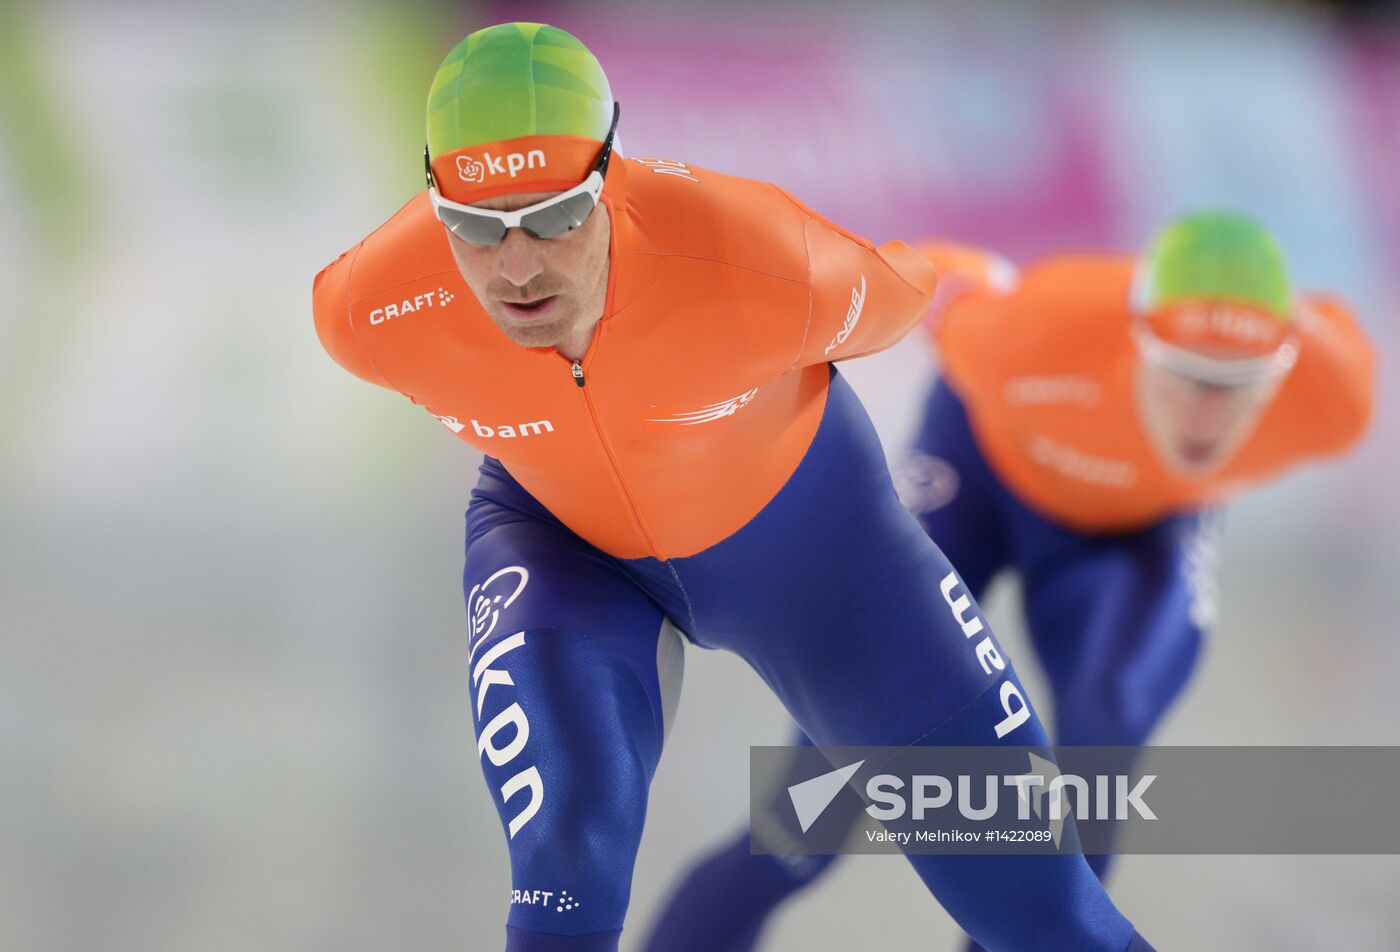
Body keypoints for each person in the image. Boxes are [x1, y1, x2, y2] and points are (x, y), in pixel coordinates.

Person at [312, 21, 1155, 952]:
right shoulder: (368, 308)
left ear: (615, 171)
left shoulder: (758, 258)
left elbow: (910, 287)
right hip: (563, 547)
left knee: (1046, 916)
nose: (516, 267)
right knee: (568, 862)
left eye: (554, 215)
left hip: (826, 560)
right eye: (474, 226)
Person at [641, 212, 1376, 952]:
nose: (1208, 415)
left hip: (1141, 531)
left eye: (1239, 382)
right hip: (979, 484)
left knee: (1103, 744)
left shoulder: (1335, 394)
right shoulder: (1032, 331)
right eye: (1186, 373)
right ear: (1136, 340)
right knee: (811, 812)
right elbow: (925, 274)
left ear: (1285, 363)